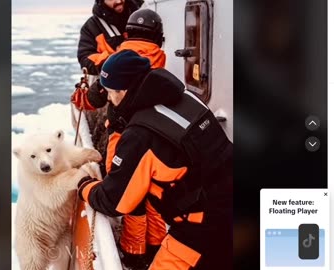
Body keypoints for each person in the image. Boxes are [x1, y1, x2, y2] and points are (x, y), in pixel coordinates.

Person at [76, 50, 233, 269]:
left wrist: (84, 185)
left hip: (203, 226)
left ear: (125, 90)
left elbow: (115, 201)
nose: (110, 100)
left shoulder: (140, 134)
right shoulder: (187, 98)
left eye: (111, 93)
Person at [73, 9, 167, 269]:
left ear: (128, 32)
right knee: (154, 197)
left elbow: (95, 98)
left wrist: (80, 98)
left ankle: (133, 254)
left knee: (130, 198)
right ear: (158, 37)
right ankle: (157, 249)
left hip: (124, 137)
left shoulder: (119, 61)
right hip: (156, 140)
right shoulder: (159, 61)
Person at [77, 0, 143, 75]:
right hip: (110, 82)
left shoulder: (143, 19)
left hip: (146, 80)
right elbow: (85, 59)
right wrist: (114, 61)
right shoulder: (92, 27)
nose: (118, 1)